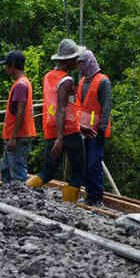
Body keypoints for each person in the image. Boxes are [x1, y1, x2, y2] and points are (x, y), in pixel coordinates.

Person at [27, 39, 87, 202]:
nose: (77, 62)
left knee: (47, 172)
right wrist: (60, 138)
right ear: (67, 61)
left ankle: (24, 190)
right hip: (68, 132)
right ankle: (69, 207)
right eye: (75, 59)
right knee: (77, 173)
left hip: (51, 129)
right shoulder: (66, 81)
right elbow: (61, 108)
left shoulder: (48, 77)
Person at [75, 49, 113, 207]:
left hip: (96, 132)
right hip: (83, 130)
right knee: (85, 164)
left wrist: (102, 130)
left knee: (94, 164)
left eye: (81, 63)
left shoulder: (103, 81)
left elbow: (106, 107)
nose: (79, 66)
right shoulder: (83, 81)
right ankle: (89, 195)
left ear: (88, 62)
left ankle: (96, 197)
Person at [0, 50, 36, 185]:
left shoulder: (20, 85)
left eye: (7, 65)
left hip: (18, 136)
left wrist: (13, 138)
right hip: (15, 135)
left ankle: (21, 203)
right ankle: (7, 199)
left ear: (13, 65)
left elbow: (20, 112)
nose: (6, 68)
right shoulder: (23, 83)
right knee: (6, 170)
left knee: (18, 174)